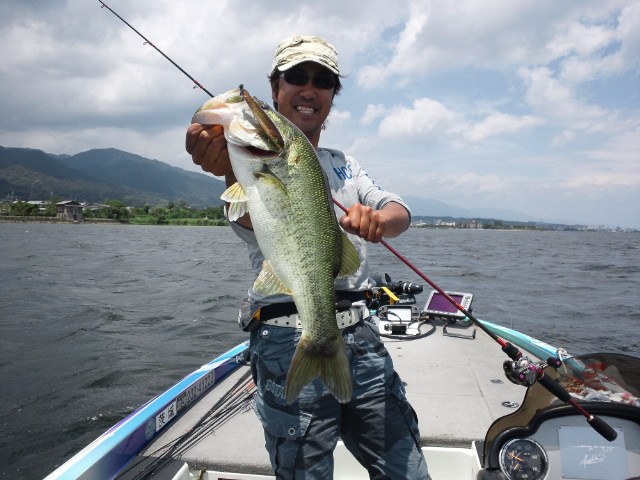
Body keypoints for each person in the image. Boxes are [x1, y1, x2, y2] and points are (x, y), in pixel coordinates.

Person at [186, 35, 430, 480]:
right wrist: (225, 167)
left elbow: (399, 211)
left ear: (333, 95)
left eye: (323, 81)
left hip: (362, 338)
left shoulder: (345, 165)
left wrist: (379, 219)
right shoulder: (244, 166)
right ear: (275, 87)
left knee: (407, 471)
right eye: (297, 77)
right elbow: (247, 216)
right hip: (284, 340)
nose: (309, 89)